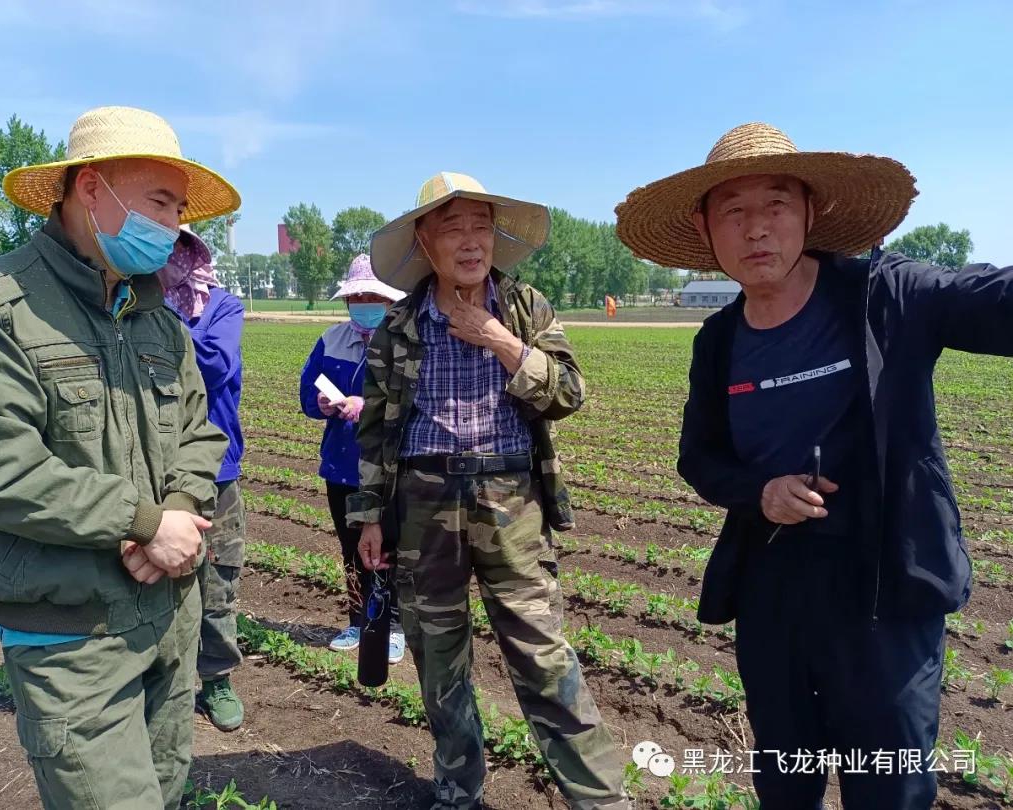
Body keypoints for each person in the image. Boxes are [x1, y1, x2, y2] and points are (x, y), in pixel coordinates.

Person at [615, 122, 1013, 809]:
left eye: (775, 204)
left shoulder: (885, 297)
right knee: (786, 779)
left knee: (888, 786)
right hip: (773, 591)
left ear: (811, 210)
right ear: (705, 228)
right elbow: (698, 458)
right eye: (733, 211)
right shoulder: (719, 340)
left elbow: (988, 298)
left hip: (884, 589)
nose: (756, 228)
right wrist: (760, 490)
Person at [0, 106, 238, 809]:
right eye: (159, 202)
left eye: (178, 209)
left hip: (170, 615)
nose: (172, 225)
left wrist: (178, 512)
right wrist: (142, 523)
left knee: (166, 793)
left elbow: (201, 432)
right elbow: (1, 470)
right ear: (92, 189)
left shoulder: (158, 319)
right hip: (70, 634)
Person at [349, 172, 630, 810]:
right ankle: (458, 789)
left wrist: (499, 339)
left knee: (542, 654)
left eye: (481, 226)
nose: (471, 241)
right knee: (438, 657)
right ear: (425, 241)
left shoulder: (525, 307)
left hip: (511, 499)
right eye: (453, 228)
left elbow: (568, 393)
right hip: (423, 500)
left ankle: (600, 799)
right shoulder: (399, 324)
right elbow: (376, 427)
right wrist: (369, 516)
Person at [158, 227, 247, 731]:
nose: (171, 259)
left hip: (218, 470)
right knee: (157, 575)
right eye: (164, 249)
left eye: (180, 250)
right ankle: (163, 679)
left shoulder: (222, 307)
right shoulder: (131, 307)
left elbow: (215, 365)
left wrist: (163, 318)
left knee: (218, 581)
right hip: (155, 467)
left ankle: (216, 679)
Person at [299, 254, 406, 662]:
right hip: (342, 464)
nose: (363, 303)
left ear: (390, 300)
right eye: (356, 297)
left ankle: (394, 625)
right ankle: (358, 620)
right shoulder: (331, 340)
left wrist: (368, 405)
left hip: (389, 466)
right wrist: (321, 403)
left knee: (389, 546)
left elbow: (414, 402)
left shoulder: (404, 343)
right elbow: (307, 392)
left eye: (372, 296)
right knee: (351, 548)